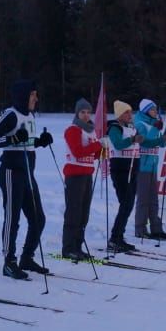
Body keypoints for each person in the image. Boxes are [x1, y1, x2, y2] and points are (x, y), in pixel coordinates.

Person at [0, 80, 53, 280]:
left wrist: (39, 141)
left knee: (39, 218)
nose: (36, 99)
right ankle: (9, 262)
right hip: (11, 172)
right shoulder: (10, 114)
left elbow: (25, 141)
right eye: (33, 95)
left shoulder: (29, 115)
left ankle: (27, 258)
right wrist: (11, 139)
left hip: (28, 173)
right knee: (13, 218)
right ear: (23, 96)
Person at [61, 98, 103, 260]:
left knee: (84, 213)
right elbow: (78, 151)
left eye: (88, 112)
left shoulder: (91, 130)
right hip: (74, 175)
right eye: (82, 112)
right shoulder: (73, 129)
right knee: (73, 212)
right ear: (77, 113)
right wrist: (98, 145)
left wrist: (102, 149)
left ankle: (78, 245)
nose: (86, 115)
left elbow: (94, 153)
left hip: (87, 174)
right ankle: (68, 247)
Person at [106, 100, 143, 252]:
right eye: (126, 112)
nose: (130, 115)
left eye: (130, 111)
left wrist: (164, 138)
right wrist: (132, 140)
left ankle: (118, 236)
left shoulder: (132, 128)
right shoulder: (115, 128)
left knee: (128, 204)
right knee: (126, 203)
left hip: (132, 169)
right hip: (120, 170)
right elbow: (118, 144)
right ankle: (115, 237)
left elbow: (144, 142)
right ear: (119, 115)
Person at [132, 99, 166, 239]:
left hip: (153, 165)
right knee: (143, 199)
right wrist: (159, 135)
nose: (155, 112)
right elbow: (145, 143)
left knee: (154, 198)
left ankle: (156, 228)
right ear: (145, 111)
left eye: (155, 109)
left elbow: (162, 143)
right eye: (152, 109)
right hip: (142, 165)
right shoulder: (140, 124)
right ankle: (140, 228)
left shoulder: (155, 125)